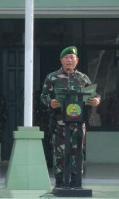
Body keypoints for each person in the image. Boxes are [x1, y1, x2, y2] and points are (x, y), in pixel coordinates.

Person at [39, 47, 100, 189]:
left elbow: (94, 94)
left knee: (77, 151)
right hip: (59, 122)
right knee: (59, 152)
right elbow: (43, 96)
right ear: (61, 60)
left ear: (77, 61)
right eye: (66, 58)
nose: (69, 60)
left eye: (72, 58)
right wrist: (50, 102)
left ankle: (76, 180)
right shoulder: (52, 77)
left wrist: (96, 100)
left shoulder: (82, 78)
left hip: (78, 123)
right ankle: (60, 181)